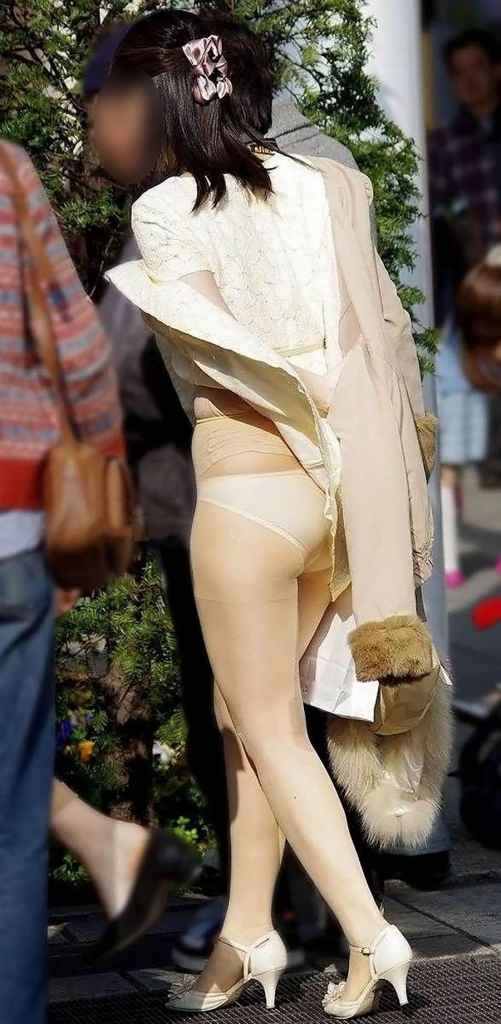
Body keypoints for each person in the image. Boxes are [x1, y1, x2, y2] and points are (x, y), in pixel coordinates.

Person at [101, 14, 450, 1018]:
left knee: (266, 726)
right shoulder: (324, 186)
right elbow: (370, 341)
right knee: (244, 717)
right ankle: (245, 938)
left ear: (161, 106)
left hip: (247, 493)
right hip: (335, 493)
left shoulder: (164, 208)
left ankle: (373, 937)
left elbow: (219, 351)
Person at [0, 141, 121, 1024]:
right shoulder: (7, 172)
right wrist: (99, 478)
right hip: (12, 530)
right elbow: (78, 345)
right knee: (11, 819)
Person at [429, 29, 501, 586]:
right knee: (474, 418)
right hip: (481, 295)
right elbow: (444, 216)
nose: (470, 80)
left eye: (478, 67)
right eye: (459, 72)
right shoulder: (446, 144)